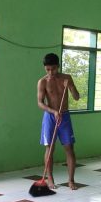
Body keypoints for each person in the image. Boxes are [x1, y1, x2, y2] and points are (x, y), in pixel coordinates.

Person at [37, 53, 80, 190]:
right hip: (50, 116)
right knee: (49, 148)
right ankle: (50, 179)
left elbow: (77, 97)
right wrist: (53, 111)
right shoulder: (42, 81)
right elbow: (40, 103)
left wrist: (71, 87)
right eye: (48, 69)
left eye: (53, 69)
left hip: (64, 116)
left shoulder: (66, 78)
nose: (51, 72)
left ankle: (71, 180)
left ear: (58, 66)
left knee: (69, 148)